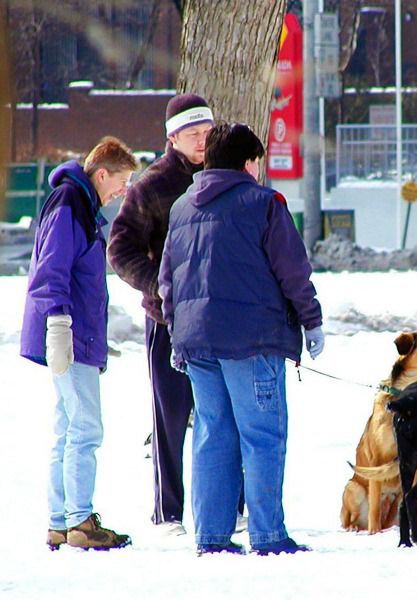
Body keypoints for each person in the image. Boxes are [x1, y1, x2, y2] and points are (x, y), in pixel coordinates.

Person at [158, 123, 325, 556]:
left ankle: (211, 536)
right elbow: (293, 270)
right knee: (262, 435)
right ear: (249, 162)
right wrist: (311, 321)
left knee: (212, 435)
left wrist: (178, 336)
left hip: (197, 342)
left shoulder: (181, 208)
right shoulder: (264, 203)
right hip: (253, 341)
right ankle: (268, 534)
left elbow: (167, 284)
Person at [107, 93, 244, 534]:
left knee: (226, 412)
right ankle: (168, 512)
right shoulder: (152, 185)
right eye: (193, 134)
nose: (203, 141)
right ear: (173, 137)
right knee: (170, 416)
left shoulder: (225, 173)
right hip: (168, 320)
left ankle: (234, 505)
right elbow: (120, 247)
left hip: (221, 316)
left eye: (207, 132)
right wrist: (158, 288)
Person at [21, 137, 139, 550]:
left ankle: (61, 519)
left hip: (75, 332)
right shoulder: (72, 202)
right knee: (85, 426)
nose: (123, 191)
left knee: (68, 425)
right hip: (70, 333)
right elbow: (50, 267)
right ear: (101, 173)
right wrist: (58, 323)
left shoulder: (79, 204)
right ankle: (79, 521)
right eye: (121, 181)